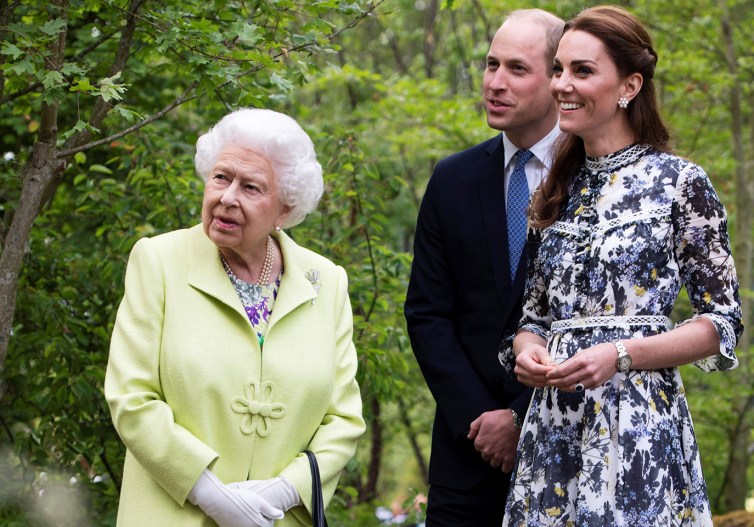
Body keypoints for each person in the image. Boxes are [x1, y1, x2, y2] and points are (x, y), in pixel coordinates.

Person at [499, 5, 743, 525]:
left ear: (629, 86)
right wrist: (529, 352)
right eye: (560, 69)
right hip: (553, 431)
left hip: (638, 428)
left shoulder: (680, 183)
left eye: (583, 71)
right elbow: (534, 318)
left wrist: (622, 353)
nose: (563, 84)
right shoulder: (555, 189)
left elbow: (721, 323)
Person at [104, 108, 366, 527]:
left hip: (277, 518)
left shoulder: (326, 282)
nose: (227, 197)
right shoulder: (159, 261)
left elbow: (344, 419)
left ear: (284, 209)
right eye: (221, 177)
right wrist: (210, 494)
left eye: (251, 187)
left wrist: (284, 490)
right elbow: (132, 398)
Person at [404, 9, 563, 526]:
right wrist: (484, 420)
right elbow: (428, 314)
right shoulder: (451, 179)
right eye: (491, 64)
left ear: (557, 77)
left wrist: (520, 416)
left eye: (517, 69)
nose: (495, 82)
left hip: (568, 451)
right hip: (464, 458)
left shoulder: (595, 180)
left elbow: (604, 318)